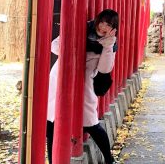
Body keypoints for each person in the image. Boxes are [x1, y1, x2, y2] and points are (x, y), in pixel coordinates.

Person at [47, 9, 119, 164]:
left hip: (84, 84)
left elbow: (105, 69)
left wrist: (107, 46)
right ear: (97, 20)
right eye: (102, 21)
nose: (103, 26)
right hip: (61, 78)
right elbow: (54, 46)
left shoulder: (109, 43)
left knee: (91, 123)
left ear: (113, 28)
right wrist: (72, 42)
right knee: (52, 121)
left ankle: (109, 158)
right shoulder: (81, 28)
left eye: (108, 24)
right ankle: (53, 160)